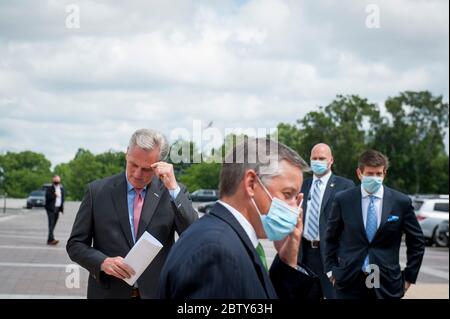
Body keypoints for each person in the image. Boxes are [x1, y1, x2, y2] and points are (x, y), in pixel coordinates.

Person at [159, 137, 323, 299]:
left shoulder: (229, 239)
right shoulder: (216, 252)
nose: (295, 209)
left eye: (297, 198)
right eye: (288, 194)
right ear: (251, 183)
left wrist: (287, 261)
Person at [66, 129, 198, 299]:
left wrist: (173, 189)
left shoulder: (171, 193)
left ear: (160, 165)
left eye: (146, 169)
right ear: (126, 154)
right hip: (109, 293)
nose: (137, 174)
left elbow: (194, 235)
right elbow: (75, 245)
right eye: (133, 165)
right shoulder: (97, 192)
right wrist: (102, 262)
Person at [324, 150, 425, 299]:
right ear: (359, 173)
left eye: (379, 174)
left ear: (385, 173)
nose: (375, 178)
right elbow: (331, 238)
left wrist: (409, 277)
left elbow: (417, 241)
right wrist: (331, 271)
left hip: (386, 282)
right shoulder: (343, 200)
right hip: (349, 280)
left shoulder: (400, 202)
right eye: (370, 174)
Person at [299, 143, 354, 299]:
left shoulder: (345, 185)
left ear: (331, 161)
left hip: (331, 256)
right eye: (314, 158)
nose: (318, 161)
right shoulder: (303, 184)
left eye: (322, 158)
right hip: (305, 254)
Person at [45, 175, 64, 245]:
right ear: (53, 180)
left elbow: (62, 199)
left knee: (53, 224)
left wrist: (62, 209)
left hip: (57, 209)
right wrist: (54, 195)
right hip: (50, 209)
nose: (57, 181)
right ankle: (51, 239)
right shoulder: (50, 188)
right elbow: (47, 197)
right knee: (51, 224)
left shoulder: (61, 188)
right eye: (55, 180)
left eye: (58, 180)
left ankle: (50, 239)